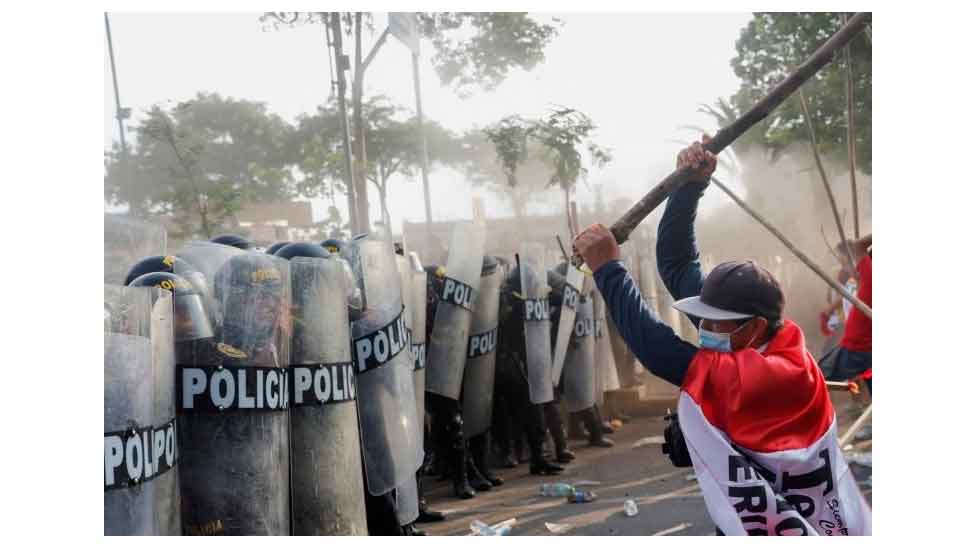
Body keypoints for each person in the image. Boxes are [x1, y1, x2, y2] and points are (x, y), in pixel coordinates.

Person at [572, 135, 871, 536]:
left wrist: (609, 269)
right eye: (704, 320)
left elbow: (656, 350)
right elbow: (678, 265)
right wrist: (689, 187)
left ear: (755, 327)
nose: (706, 331)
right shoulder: (759, 336)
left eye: (715, 323)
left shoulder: (775, 374)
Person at [819, 237, 872, 394]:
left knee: (815, 377)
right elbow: (849, 294)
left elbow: (859, 245)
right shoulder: (862, 279)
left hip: (857, 347)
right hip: (860, 344)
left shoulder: (870, 279)